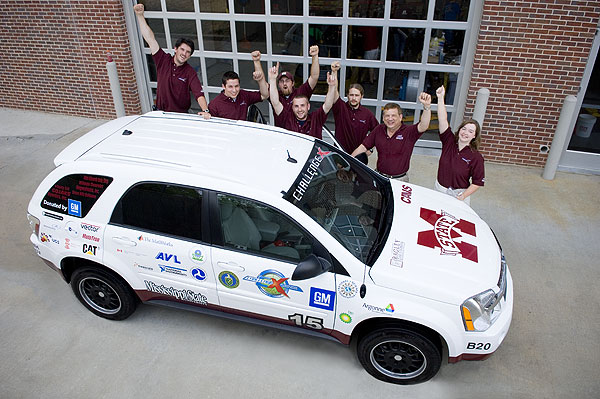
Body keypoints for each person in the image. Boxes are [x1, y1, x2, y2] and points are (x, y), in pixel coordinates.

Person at [134, 4, 209, 116]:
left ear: (190, 56)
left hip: (181, 116)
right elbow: (150, 39)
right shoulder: (163, 60)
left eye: (188, 52)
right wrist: (140, 16)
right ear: (175, 49)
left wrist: (205, 111)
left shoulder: (189, 72)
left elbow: (199, 94)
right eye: (182, 49)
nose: (184, 54)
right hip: (160, 113)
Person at [351, 95, 432, 182]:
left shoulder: (409, 132)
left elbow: (423, 126)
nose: (390, 119)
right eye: (387, 116)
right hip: (380, 177)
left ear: (400, 117)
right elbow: (363, 147)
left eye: (393, 115)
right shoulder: (379, 130)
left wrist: (426, 107)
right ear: (383, 118)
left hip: (400, 179)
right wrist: (348, 160)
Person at [434, 85, 484, 205]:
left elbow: (477, 182)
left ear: (474, 136)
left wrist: (463, 196)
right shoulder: (449, 141)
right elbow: (442, 119)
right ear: (459, 129)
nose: (466, 133)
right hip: (440, 189)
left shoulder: (476, 157)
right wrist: (440, 98)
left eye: (471, 131)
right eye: (464, 129)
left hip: (459, 195)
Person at [269, 62, 336, 139]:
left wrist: (332, 87)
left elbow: (328, 105)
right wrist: (272, 79)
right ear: (292, 108)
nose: (300, 109)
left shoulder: (316, 118)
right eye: (296, 106)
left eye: (302, 105)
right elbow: (275, 102)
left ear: (308, 106)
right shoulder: (287, 118)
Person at [329, 61, 378, 164]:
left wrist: (370, 149)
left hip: (359, 158)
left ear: (362, 97)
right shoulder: (341, 108)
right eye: (351, 95)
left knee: (358, 180)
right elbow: (334, 89)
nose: (354, 98)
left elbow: (377, 132)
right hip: (340, 155)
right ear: (347, 95)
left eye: (357, 95)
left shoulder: (367, 114)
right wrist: (334, 72)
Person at [207, 51, 269, 120]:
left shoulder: (243, 95)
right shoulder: (214, 105)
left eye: (236, 86)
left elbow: (264, 95)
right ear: (223, 86)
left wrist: (257, 62)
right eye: (230, 87)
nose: (234, 90)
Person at [273, 45, 321, 128]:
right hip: (280, 137)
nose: (284, 84)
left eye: (287, 81)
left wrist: (315, 56)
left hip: (298, 134)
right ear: (278, 84)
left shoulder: (300, 92)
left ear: (293, 83)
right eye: (282, 81)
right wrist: (272, 78)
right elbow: (265, 92)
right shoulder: (275, 95)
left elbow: (314, 77)